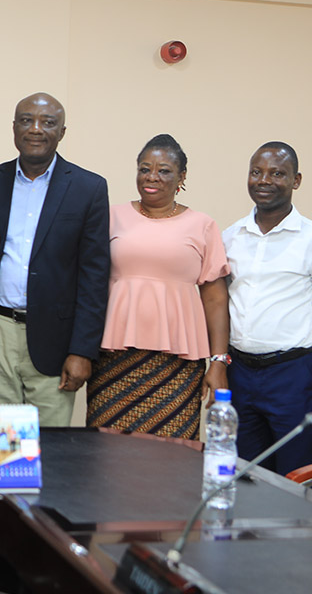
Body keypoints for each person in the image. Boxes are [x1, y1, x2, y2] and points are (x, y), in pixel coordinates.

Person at [0, 93, 110, 427]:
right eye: (26, 120)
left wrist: (82, 350)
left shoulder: (88, 189)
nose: (36, 129)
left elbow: (94, 276)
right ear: (14, 128)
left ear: (62, 132)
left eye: (48, 123)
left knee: (51, 451)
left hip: (55, 339)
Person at [87, 134, 230, 439]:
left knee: (172, 455)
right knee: (106, 450)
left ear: (182, 176)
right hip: (113, 359)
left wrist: (218, 361)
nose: (152, 177)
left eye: (164, 170)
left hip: (177, 365)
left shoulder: (203, 225)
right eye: (144, 168)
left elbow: (215, 300)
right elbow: (86, 281)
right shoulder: (110, 216)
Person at [223, 142, 312, 473]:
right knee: (244, 473)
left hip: (293, 376)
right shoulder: (230, 237)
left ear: (296, 180)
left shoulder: (308, 239)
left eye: (277, 173)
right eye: (256, 172)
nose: (264, 180)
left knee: (295, 473)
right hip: (240, 373)